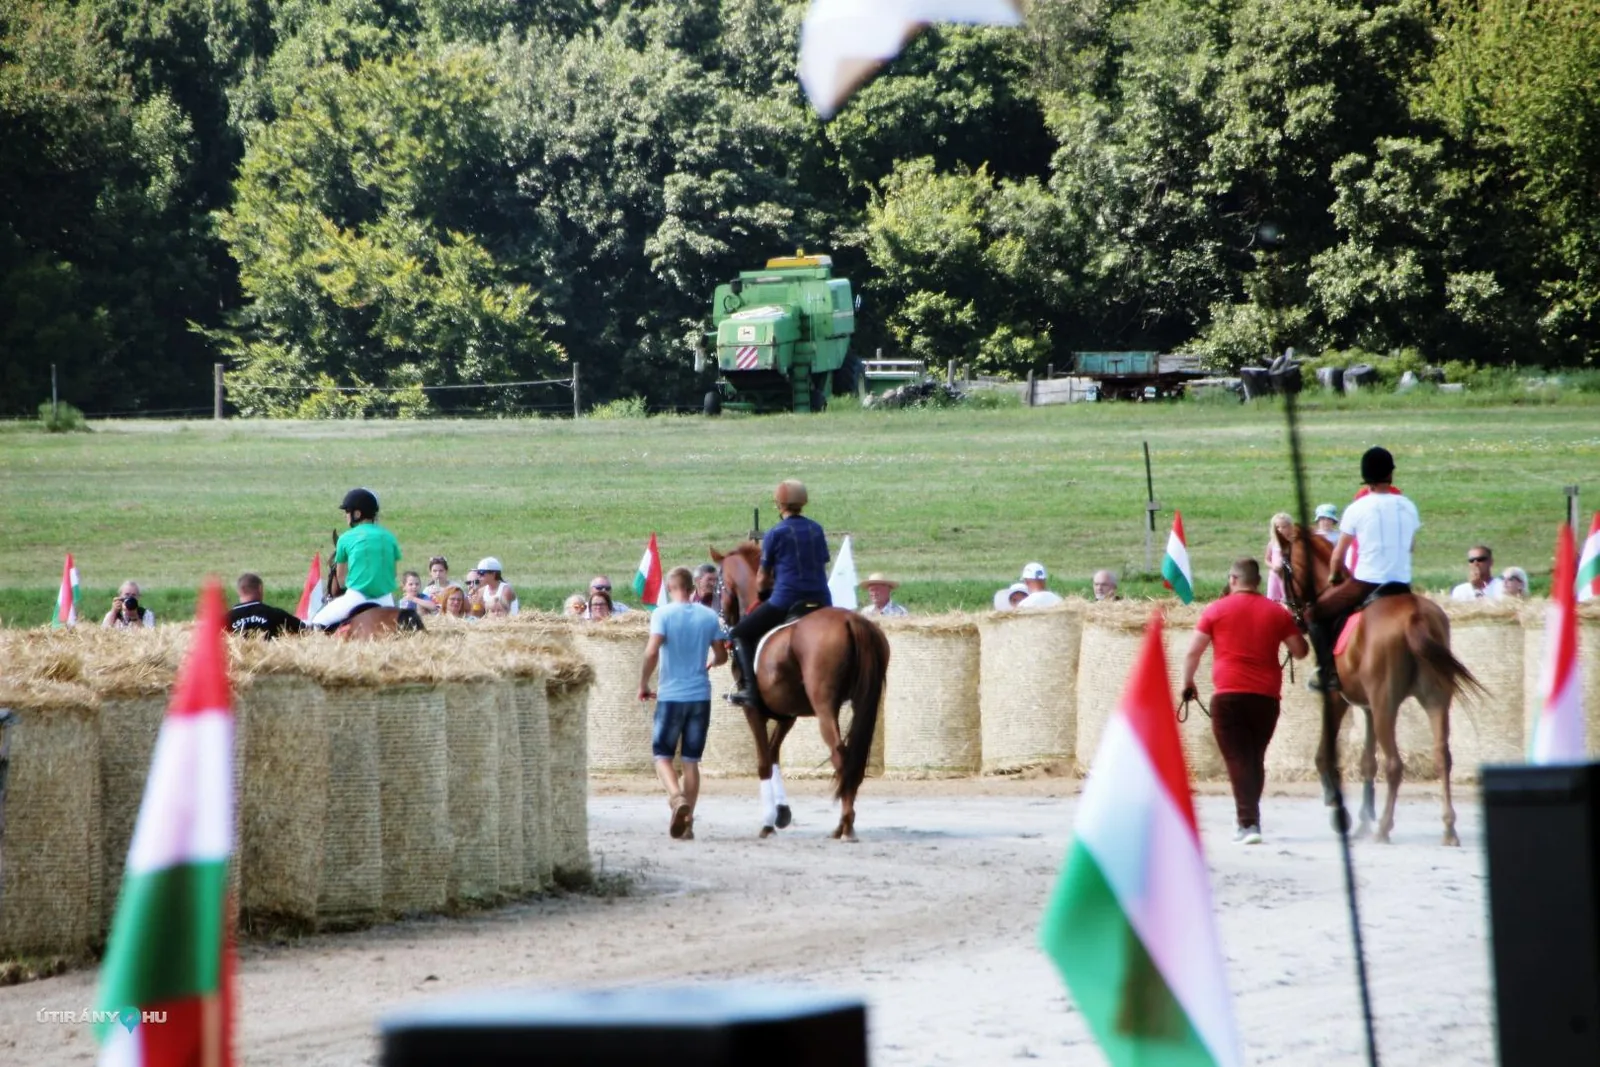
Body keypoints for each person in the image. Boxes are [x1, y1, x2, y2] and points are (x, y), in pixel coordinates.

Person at [1181, 558, 1309, 845]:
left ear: (1232, 579)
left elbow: (1193, 652)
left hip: (1228, 695)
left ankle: (1248, 824)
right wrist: (1299, 627)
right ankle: (1251, 819)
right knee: (1254, 758)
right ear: (1258, 582)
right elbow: (1300, 652)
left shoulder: (1215, 610)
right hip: (1266, 697)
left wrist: (1187, 684)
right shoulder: (1276, 612)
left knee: (1238, 760)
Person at [1309, 447, 1421, 691]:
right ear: (1391, 474)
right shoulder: (1408, 506)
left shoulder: (1356, 509)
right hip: (1403, 584)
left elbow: (1338, 555)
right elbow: (1411, 546)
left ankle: (1327, 672)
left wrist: (1334, 576)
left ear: (1366, 477)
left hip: (1367, 583)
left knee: (1315, 615)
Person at [637, 566, 728, 840]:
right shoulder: (709, 615)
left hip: (671, 695)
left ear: (669, 587)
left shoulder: (662, 614)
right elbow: (722, 656)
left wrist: (643, 683)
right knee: (691, 761)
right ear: (692, 588)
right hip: (700, 695)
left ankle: (677, 798)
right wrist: (711, 662)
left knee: (662, 755)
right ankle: (687, 825)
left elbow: (652, 651)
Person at [729, 479, 831, 707]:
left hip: (786, 600)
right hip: (822, 600)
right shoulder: (816, 529)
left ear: (779, 504)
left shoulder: (775, 533)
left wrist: (764, 592)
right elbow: (821, 564)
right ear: (803, 502)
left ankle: (749, 691)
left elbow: (763, 578)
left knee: (740, 633)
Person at [312, 488, 402, 630]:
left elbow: (341, 580)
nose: (346, 516)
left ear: (357, 514)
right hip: (386, 600)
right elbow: (394, 573)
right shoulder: (390, 537)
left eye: (347, 512)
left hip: (356, 597)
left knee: (317, 622)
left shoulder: (345, 538)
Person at [228, 573, 304, 639]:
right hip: (272, 655)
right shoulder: (276, 615)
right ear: (260, 589)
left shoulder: (225, 620)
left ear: (239, 591)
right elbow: (306, 631)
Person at [1265, 512, 1293, 603]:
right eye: (1277, 527)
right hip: (1274, 575)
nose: (1280, 530)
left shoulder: (1292, 543)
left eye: (1284, 527)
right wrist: (1273, 566)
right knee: (1272, 600)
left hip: (1287, 576)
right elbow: (1267, 559)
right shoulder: (1273, 543)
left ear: (1289, 527)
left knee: (1287, 599)